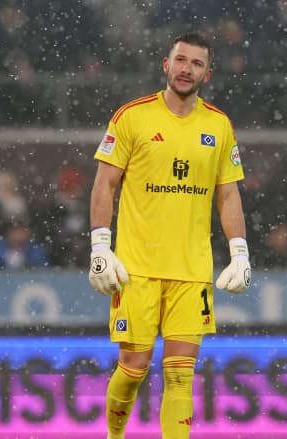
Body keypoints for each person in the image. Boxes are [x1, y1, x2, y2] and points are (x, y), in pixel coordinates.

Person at [87, 32, 251, 439]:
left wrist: (240, 253)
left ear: (207, 74)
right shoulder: (132, 116)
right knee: (133, 369)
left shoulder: (219, 125)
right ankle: (114, 436)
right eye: (180, 60)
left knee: (180, 375)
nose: (186, 69)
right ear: (166, 64)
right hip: (137, 268)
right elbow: (105, 183)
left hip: (192, 270)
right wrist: (99, 247)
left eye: (196, 64)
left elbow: (228, 193)